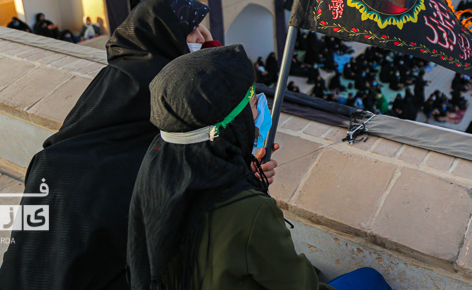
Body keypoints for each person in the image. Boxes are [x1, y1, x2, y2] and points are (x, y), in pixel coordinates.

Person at [0, 0, 268, 290]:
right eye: (192, 30)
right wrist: (241, 175)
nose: (202, 36)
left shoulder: (120, 72)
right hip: (99, 227)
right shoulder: (170, 93)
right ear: (165, 37)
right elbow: (181, 172)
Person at [127, 44, 390, 290]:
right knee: (370, 279)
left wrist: (241, 176)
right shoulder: (251, 211)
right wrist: (249, 194)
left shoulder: (154, 166)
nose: (259, 111)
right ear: (233, 122)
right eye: (253, 104)